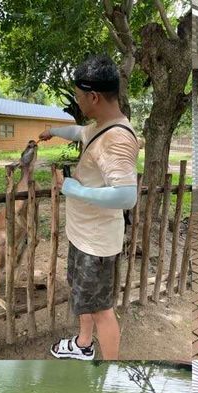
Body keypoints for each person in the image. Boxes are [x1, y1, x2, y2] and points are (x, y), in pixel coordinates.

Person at [39, 54, 139, 361]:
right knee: (85, 298)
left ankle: (112, 373)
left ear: (94, 96)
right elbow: (78, 132)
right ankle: (83, 344)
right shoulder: (100, 126)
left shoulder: (116, 140)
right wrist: (53, 130)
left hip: (96, 244)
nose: (78, 102)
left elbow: (126, 196)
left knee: (101, 310)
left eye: (79, 97)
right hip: (83, 236)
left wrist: (72, 188)